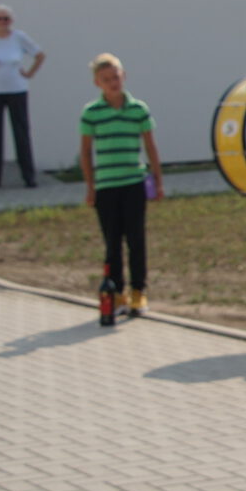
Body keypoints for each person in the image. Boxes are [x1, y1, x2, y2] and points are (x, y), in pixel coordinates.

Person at [78, 53, 162, 317]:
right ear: (97, 83)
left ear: (123, 76)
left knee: (136, 240)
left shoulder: (138, 109)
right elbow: (85, 152)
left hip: (133, 183)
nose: (113, 83)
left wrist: (157, 181)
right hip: (106, 186)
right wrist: (90, 186)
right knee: (112, 242)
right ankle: (116, 293)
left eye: (116, 77)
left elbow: (150, 146)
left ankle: (139, 292)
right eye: (106, 79)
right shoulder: (92, 113)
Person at [0, 4, 45, 188]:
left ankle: (28, 176)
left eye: (6, 19)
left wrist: (29, 73)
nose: (2, 22)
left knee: (21, 132)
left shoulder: (19, 37)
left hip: (16, 90)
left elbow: (40, 55)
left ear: (11, 21)